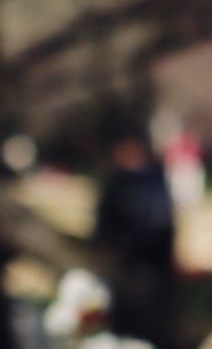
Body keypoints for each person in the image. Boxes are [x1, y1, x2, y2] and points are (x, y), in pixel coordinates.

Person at [97, 111, 174, 349]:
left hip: (156, 264)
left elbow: (166, 217)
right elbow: (103, 225)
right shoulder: (115, 183)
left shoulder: (155, 178)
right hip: (127, 264)